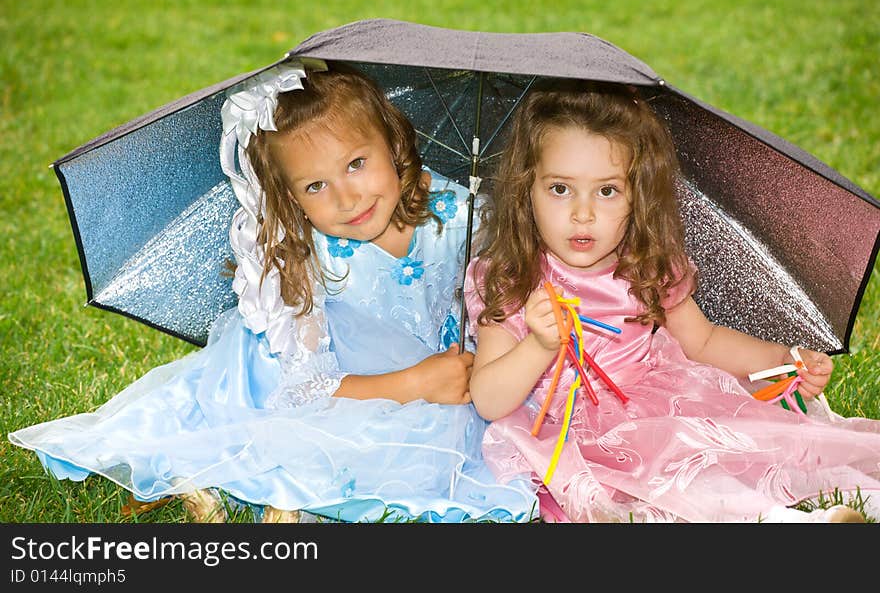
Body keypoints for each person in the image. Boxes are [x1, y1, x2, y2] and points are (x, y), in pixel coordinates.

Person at [8, 60, 538, 523]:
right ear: (287, 196)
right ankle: (252, 485)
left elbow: (503, 305)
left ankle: (277, 492)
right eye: (315, 186)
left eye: (357, 163)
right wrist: (413, 381)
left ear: (395, 145)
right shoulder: (301, 253)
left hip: (444, 375)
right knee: (332, 436)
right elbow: (303, 389)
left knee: (458, 435)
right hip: (337, 382)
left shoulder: (468, 217)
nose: (348, 196)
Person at [464, 78, 880, 523]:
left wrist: (782, 359)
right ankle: (783, 520)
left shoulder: (645, 265)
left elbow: (703, 342)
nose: (582, 213)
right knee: (662, 481)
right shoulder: (508, 278)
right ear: (527, 191)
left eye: (607, 191)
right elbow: (488, 399)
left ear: (637, 195)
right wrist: (539, 345)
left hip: (653, 405)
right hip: (563, 431)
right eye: (560, 189)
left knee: (722, 447)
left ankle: (854, 495)